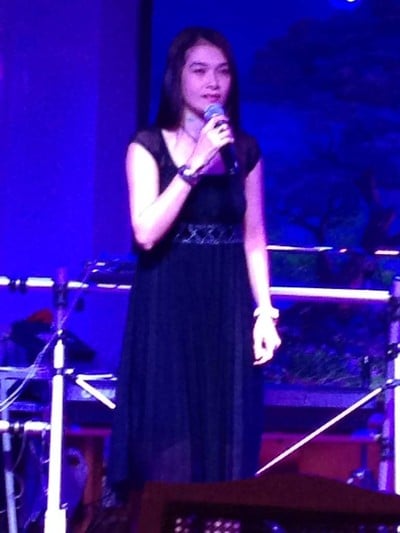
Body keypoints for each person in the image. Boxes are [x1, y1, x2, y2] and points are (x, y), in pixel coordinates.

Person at [108, 26, 281, 498]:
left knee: (226, 447)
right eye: (200, 71)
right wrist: (194, 165)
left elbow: (254, 236)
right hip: (167, 305)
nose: (213, 83)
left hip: (225, 306)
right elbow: (146, 233)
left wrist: (264, 312)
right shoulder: (147, 145)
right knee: (169, 444)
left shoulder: (244, 150)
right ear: (177, 77)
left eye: (222, 72)